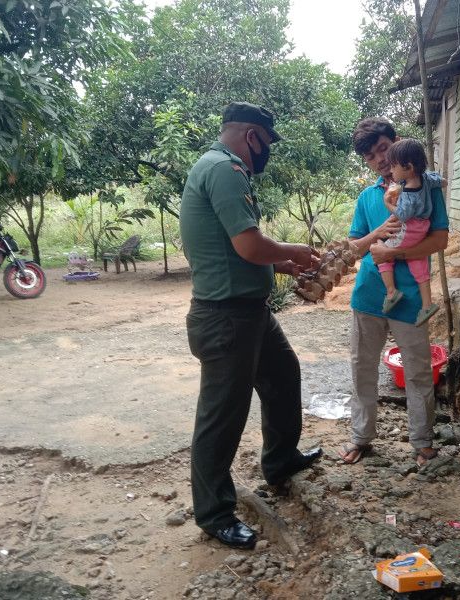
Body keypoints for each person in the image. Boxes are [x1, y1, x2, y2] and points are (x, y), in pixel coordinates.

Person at [180, 102, 323, 550]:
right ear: (251, 135)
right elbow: (248, 244)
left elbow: (237, 252)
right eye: (267, 143)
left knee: (283, 377)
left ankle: (280, 462)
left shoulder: (220, 167)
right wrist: (296, 250)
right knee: (222, 417)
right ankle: (214, 513)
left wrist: (282, 266)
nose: (268, 153)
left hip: (250, 311)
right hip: (226, 318)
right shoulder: (224, 169)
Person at [337, 117, 449, 467]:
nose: (380, 160)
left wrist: (394, 252)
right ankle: (361, 437)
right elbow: (355, 248)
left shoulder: (428, 190)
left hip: (412, 298)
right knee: (362, 369)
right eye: (371, 156)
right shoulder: (368, 197)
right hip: (369, 295)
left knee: (417, 372)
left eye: (383, 149)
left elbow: (440, 239)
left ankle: (422, 442)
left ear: (397, 143)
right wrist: (377, 236)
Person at [379, 138, 442, 327]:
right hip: (421, 229)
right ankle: (427, 305)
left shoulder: (408, 191)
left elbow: (402, 214)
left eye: (393, 167)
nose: (390, 171)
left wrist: (388, 203)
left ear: (408, 167)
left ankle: (391, 291)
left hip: (409, 228)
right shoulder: (427, 179)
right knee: (418, 261)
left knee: (382, 252)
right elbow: (442, 181)